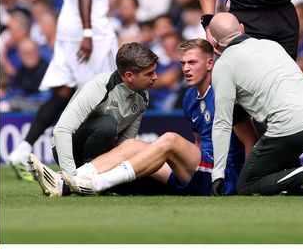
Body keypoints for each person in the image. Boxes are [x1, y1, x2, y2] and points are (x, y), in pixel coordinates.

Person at [30, 39, 257, 197]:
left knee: (168, 140)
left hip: (222, 175)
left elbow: (249, 142)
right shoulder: (189, 98)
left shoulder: (224, 92)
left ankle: (90, 183)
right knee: (131, 144)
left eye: (192, 63)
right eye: (183, 63)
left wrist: (244, 185)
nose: (186, 69)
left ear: (210, 63)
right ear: (129, 76)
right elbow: (198, 143)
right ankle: (68, 181)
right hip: (197, 171)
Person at [6, 0, 117, 181]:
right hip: (88, 29)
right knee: (98, 95)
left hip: (70, 26)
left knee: (63, 92)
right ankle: (90, 162)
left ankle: (23, 149)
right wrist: (89, 33)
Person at [207, 13, 303, 196]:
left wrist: (218, 175)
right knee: (269, 118)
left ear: (214, 42)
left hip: (293, 128)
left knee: (246, 185)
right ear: (242, 28)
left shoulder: (223, 65)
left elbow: (222, 122)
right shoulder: (271, 45)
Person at [27, 42, 157, 196]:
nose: (155, 77)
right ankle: (74, 181)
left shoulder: (143, 96)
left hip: (103, 155)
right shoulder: (99, 86)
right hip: (70, 150)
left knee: (141, 185)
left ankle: (74, 184)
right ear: (129, 76)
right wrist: (72, 177)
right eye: (149, 74)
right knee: (107, 124)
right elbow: (62, 130)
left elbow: (125, 145)